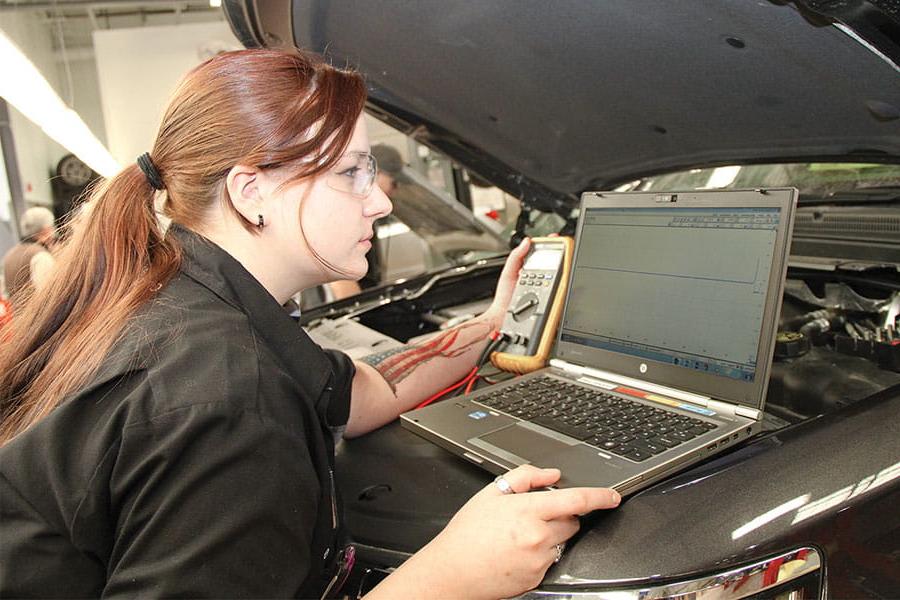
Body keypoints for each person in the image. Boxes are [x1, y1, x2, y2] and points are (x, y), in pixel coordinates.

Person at [0, 49, 620, 599]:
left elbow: (368, 392)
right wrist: (452, 574)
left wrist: (495, 323)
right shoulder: (228, 397)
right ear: (251, 193)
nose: (380, 199)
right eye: (351, 173)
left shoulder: (195, 297)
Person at [1, 206, 56, 306]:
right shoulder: (41, 255)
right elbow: (50, 296)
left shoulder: (9, 255)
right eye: (51, 228)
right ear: (45, 230)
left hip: (18, 319)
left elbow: (5, 294)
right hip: (40, 318)